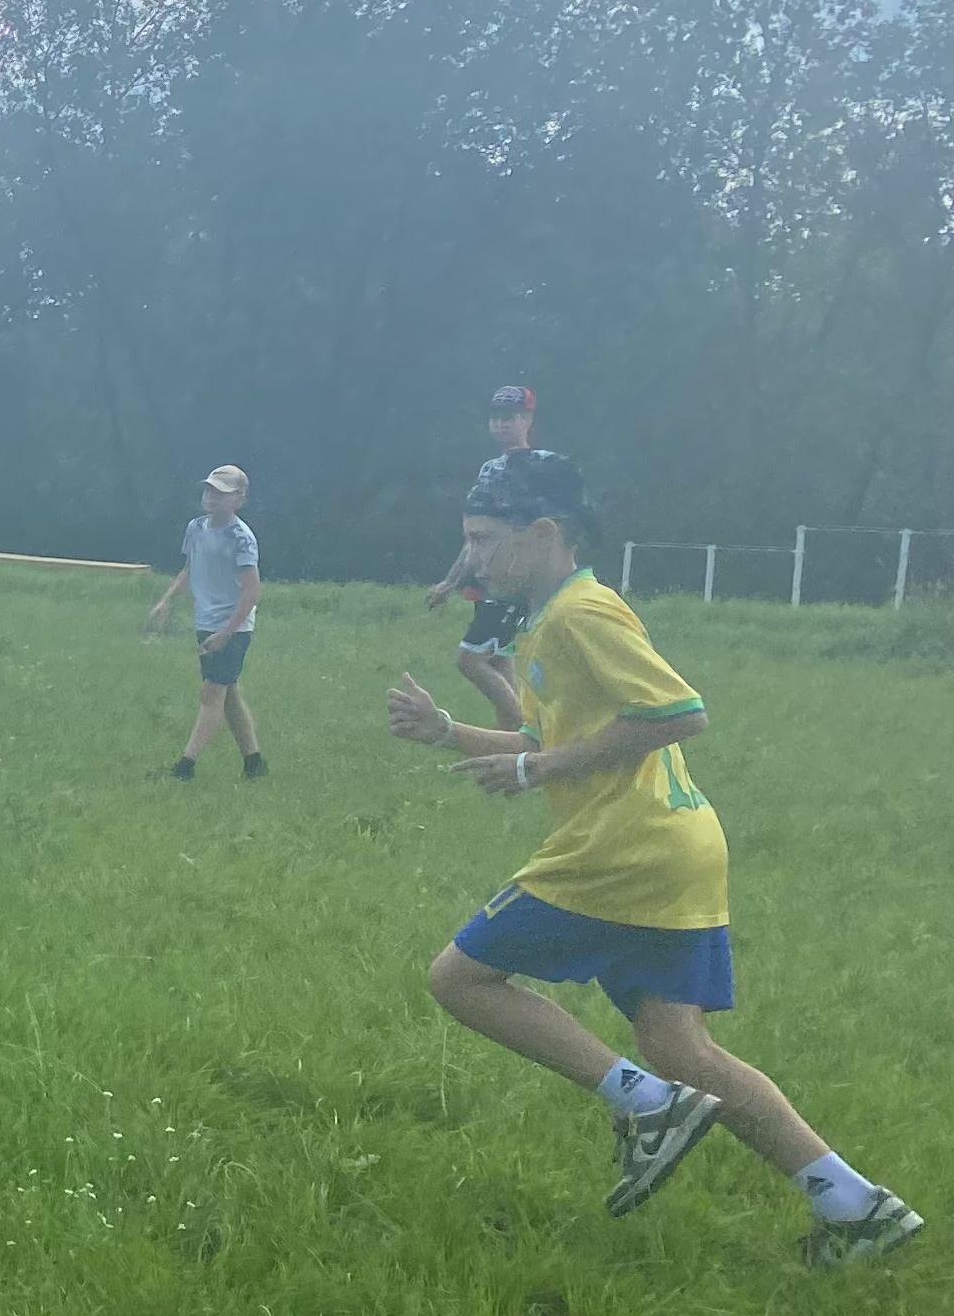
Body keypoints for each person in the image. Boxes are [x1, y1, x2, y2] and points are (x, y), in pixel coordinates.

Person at [386, 451, 917, 1266]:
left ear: (544, 533)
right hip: (677, 850)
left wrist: (540, 767)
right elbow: (540, 741)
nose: (473, 558)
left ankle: (644, 1105)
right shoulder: (545, 621)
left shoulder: (582, 614)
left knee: (459, 979)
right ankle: (855, 1206)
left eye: (484, 539)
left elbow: (679, 713)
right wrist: (449, 732)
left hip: (622, 849)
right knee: (681, 1049)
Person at [427, 386, 542, 726]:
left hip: (511, 582)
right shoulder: (491, 468)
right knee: (498, 661)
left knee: (470, 660)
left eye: (510, 417)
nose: (500, 424)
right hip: (487, 580)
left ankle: (535, 736)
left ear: (528, 420)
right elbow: (477, 536)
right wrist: (451, 581)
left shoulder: (534, 470)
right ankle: (510, 745)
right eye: (495, 417)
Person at [143, 463, 265, 780]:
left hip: (233, 628)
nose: (212, 497)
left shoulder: (241, 538)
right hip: (206, 623)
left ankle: (185, 767)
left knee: (211, 695)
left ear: (239, 499)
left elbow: (252, 591)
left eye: (221, 493)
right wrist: (166, 601)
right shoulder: (196, 528)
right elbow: (189, 570)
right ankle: (254, 762)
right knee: (229, 694)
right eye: (209, 490)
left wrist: (227, 632)